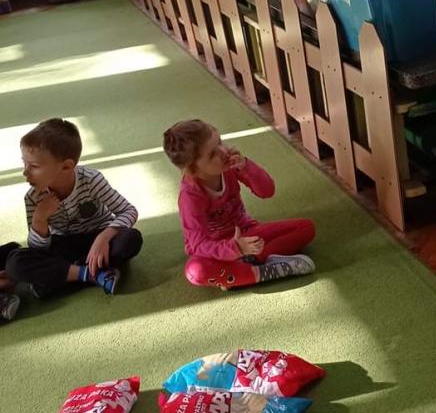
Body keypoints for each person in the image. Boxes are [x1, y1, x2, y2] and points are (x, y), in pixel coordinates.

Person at [162, 120, 315, 290]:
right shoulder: (190, 197)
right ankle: (260, 273)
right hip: (216, 251)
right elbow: (198, 245)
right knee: (195, 271)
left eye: (220, 142)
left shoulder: (230, 166)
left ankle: (247, 268)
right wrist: (234, 248)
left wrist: (246, 166)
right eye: (212, 154)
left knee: (305, 228)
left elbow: (267, 191)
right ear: (193, 170)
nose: (223, 152)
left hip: (247, 234)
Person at [3, 118, 142, 303]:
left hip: (97, 237)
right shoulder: (33, 198)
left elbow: (128, 211)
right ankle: (92, 274)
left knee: (131, 239)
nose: (25, 172)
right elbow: (38, 249)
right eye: (24, 163)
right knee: (15, 262)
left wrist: (103, 238)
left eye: (34, 166)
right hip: (63, 245)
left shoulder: (91, 180)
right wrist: (39, 220)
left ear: (67, 166)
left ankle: (62, 278)